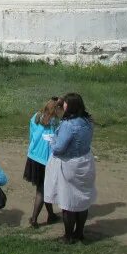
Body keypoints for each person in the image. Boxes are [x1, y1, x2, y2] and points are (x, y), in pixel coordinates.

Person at [44, 92, 97, 244]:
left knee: (68, 202)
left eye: (65, 103)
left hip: (70, 164)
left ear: (71, 106)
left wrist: (52, 142)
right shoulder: (87, 120)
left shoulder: (68, 124)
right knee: (82, 200)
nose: (63, 105)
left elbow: (59, 149)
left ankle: (68, 236)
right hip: (86, 160)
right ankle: (79, 233)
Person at [24, 97, 62, 228]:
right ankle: (34, 219)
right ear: (57, 109)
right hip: (48, 160)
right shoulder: (57, 122)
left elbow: (31, 135)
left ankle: (51, 215)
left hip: (34, 157)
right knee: (42, 190)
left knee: (44, 188)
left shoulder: (36, 116)